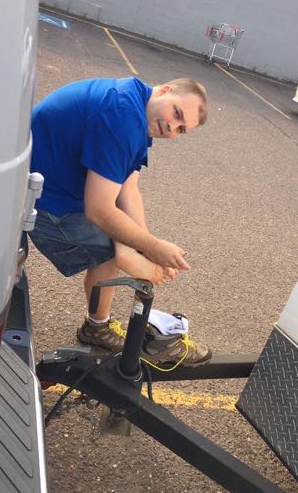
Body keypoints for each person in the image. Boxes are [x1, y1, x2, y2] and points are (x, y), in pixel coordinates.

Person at [27, 75, 211, 367]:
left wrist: (146, 249)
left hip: (56, 183)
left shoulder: (136, 106)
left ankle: (98, 323)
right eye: (176, 113)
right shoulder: (122, 115)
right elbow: (100, 210)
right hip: (38, 196)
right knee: (110, 249)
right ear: (165, 90)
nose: (172, 127)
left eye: (181, 129)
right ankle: (97, 328)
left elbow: (128, 189)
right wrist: (144, 248)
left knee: (126, 242)